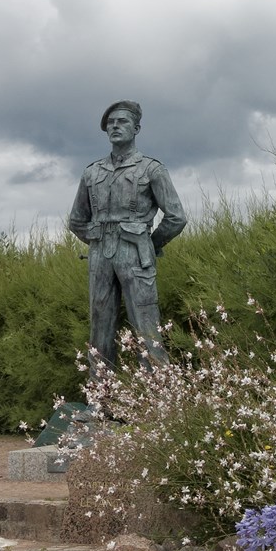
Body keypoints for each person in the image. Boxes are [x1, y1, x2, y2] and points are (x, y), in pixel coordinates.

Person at [68, 101, 187, 367]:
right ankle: (101, 403)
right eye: (110, 123)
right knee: (99, 329)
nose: (114, 126)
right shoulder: (92, 172)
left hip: (136, 257)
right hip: (100, 258)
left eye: (121, 121)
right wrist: (96, 236)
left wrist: (149, 243)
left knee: (147, 328)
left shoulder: (151, 169)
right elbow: (76, 221)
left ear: (136, 128)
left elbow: (176, 217)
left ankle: (158, 402)